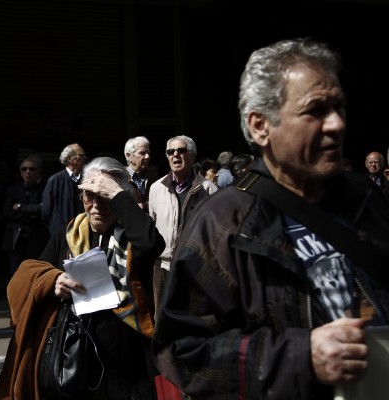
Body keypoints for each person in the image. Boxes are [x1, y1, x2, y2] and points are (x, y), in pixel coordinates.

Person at [152, 38, 389, 399]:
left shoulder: (365, 198)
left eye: (339, 107)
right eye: (315, 111)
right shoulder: (222, 222)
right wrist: (299, 358)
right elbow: (181, 351)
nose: (337, 124)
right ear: (260, 126)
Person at [0, 157, 165, 400]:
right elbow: (37, 271)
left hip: (127, 361)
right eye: (89, 196)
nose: (96, 205)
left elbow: (152, 244)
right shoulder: (68, 233)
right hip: (75, 356)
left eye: (104, 197)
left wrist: (118, 194)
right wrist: (54, 280)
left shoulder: (132, 233)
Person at [148, 136, 217, 316]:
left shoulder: (208, 189)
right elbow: (152, 228)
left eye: (181, 150)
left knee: (192, 319)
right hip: (163, 267)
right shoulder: (156, 188)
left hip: (194, 269)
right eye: (170, 152)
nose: (175, 155)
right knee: (162, 320)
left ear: (192, 156)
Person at [2, 155, 50, 277]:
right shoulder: (12, 190)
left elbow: (43, 210)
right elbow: (7, 212)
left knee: (34, 271)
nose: (28, 172)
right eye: (24, 169)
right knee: (16, 273)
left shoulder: (44, 190)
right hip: (15, 238)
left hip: (36, 238)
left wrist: (20, 207)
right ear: (20, 172)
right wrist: (30, 214)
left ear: (38, 172)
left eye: (32, 169)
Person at [41, 143, 87, 235]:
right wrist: (54, 227)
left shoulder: (87, 179)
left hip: (83, 232)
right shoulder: (54, 180)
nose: (85, 158)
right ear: (70, 159)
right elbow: (46, 212)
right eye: (81, 155)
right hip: (61, 233)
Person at [124, 136, 151, 210]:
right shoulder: (120, 178)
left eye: (148, 153)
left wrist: (144, 205)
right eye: (142, 153)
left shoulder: (152, 179)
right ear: (128, 156)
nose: (147, 157)